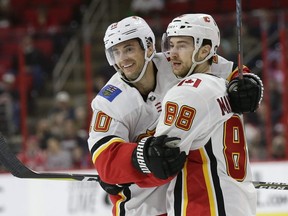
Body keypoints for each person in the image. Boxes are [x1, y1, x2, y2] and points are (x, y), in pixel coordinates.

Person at [87, 16, 263, 216]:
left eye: (129, 49)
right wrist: (140, 158)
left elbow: (218, 65)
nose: (122, 59)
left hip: (178, 199)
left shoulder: (173, 63)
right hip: (142, 207)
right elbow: (105, 159)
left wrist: (246, 82)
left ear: (149, 48)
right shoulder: (108, 102)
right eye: (115, 52)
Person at [151, 13, 261, 215]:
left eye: (182, 45)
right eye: (171, 44)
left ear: (204, 51)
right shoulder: (226, 87)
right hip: (240, 205)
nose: (171, 53)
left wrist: (126, 170)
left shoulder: (186, 93)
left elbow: (160, 164)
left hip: (203, 207)